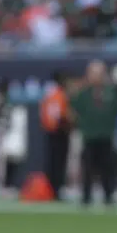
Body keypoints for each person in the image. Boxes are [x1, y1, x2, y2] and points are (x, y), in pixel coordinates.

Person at [71, 60, 117, 206]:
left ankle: (108, 196)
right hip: (89, 136)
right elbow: (74, 110)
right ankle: (86, 197)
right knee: (88, 168)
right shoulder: (83, 93)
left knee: (107, 168)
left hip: (106, 135)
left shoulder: (111, 92)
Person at [40, 70, 71, 200]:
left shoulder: (49, 94)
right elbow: (62, 115)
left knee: (52, 162)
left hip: (51, 132)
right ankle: (55, 190)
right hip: (59, 131)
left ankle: (52, 190)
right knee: (58, 163)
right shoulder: (60, 95)